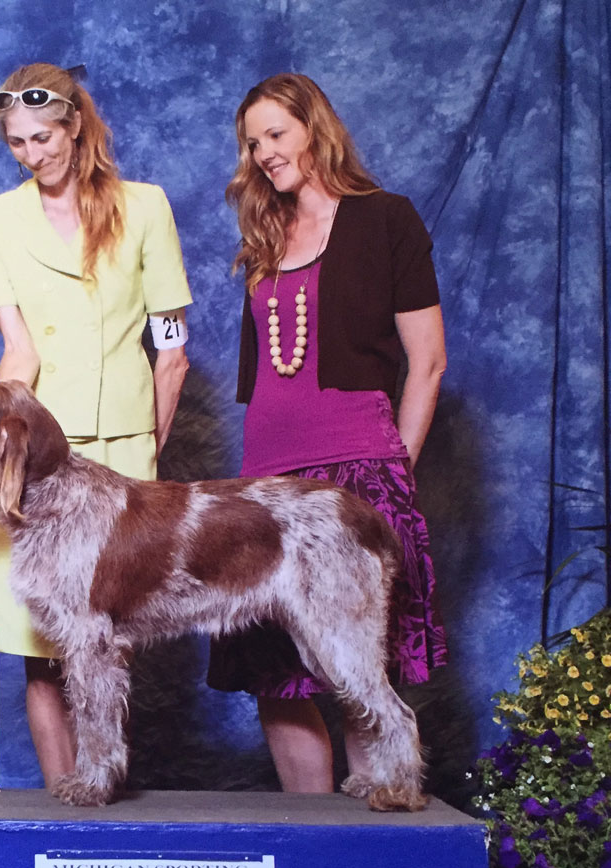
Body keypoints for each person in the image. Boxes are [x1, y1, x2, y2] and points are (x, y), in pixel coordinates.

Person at [209, 73, 448, 793]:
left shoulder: (386, 219)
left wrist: (393, 473)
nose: (264, 154)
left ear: (316, 127)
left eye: (276, 135)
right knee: (275, 676)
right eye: (253, 143)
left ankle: (373, 854)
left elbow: (428, 362)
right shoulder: (262, 238)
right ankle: (312, 845)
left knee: (356, 669)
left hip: (356, 473)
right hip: (267, 486)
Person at [0, 63, 193, 788]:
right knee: (41, 645)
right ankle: (64, 804)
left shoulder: (146, 208)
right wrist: (9, 463)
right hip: (35, 458)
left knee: (111, 637)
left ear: (75, 125)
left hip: (125, 455)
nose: (33, 155)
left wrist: (143, 450)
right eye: (16, 143)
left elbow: (173, 351)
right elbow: (19, 351)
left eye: (43, 136)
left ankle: (108, 787)